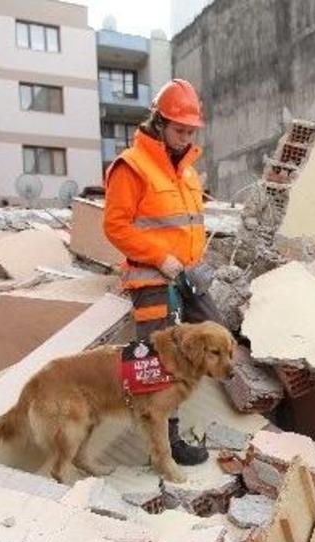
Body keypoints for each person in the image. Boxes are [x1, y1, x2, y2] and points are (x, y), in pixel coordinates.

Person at [103, 78, 219, 466]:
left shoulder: (187, 172)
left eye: (191, 131)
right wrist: (158, 257)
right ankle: (164, 445)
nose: (186, 138)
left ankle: (172, 412)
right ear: (159, 123)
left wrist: (195, 263)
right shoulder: (131, 166)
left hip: (187, 276)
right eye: (179, 130)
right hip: (152, 277)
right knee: (157, 363)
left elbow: (187, 224)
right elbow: (115, 226)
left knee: (215, 333)